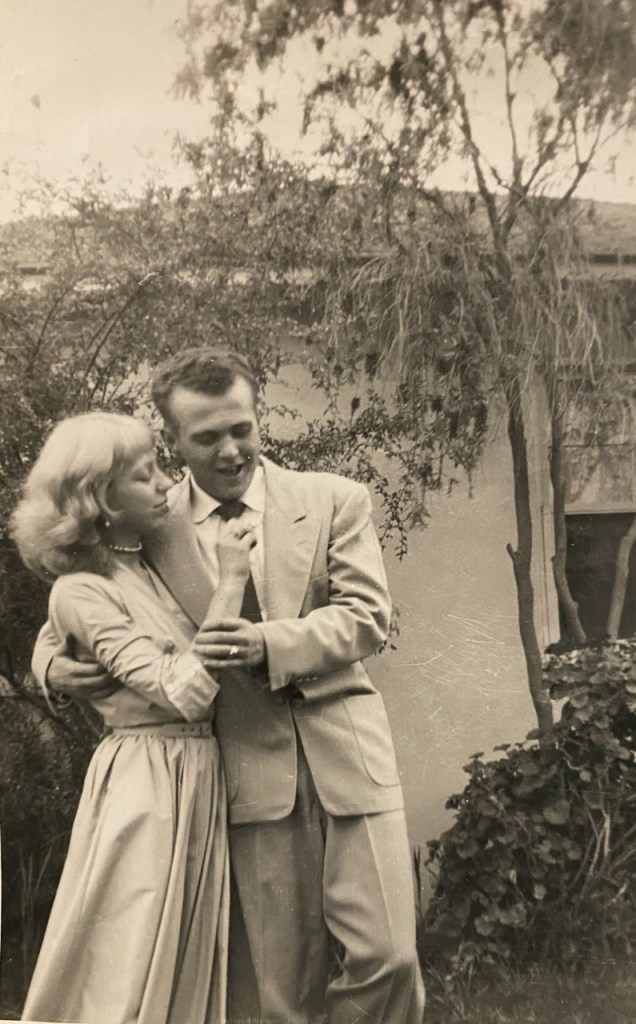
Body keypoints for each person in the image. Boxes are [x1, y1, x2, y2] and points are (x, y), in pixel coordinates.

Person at [33, 348, 426, 1024]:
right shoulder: (147, 522)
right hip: (244, 773)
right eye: (207, 436)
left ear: (258, 415)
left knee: (388, 959)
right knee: (280, 991)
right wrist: (51, 668)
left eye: (242, 428)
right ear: (173, 440)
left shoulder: (334, 499)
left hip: (350, 756)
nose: (231, 450)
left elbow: (367, 617)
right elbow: (80, 597)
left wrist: (268, 643)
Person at [13, 411, 256, 1024]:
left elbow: (57, 642)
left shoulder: (145, 558)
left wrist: (48, 664)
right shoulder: (82, 587)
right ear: (100, 497)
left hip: (193, 774)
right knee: (129, 957)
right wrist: (232, 582)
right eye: (146, 475)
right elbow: (186, 693)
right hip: (147, 784)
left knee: (181, 959)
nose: (167, 484)